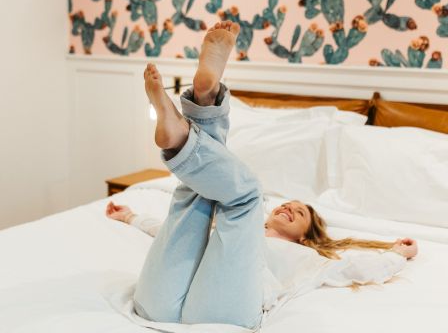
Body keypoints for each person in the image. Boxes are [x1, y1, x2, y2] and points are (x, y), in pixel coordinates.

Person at [105, 20, 418, 331]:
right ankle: (194, 116)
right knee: (196, 197)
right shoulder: (230, 228)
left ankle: (196, 117)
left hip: (222, 312)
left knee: (247, 197)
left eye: (299, 213)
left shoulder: (306, 257)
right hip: (156, 304)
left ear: (307, 236)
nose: (288, 207)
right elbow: (165, 230)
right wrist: (132, 217)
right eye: (290, 205)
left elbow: (354, 267)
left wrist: (395, 254)